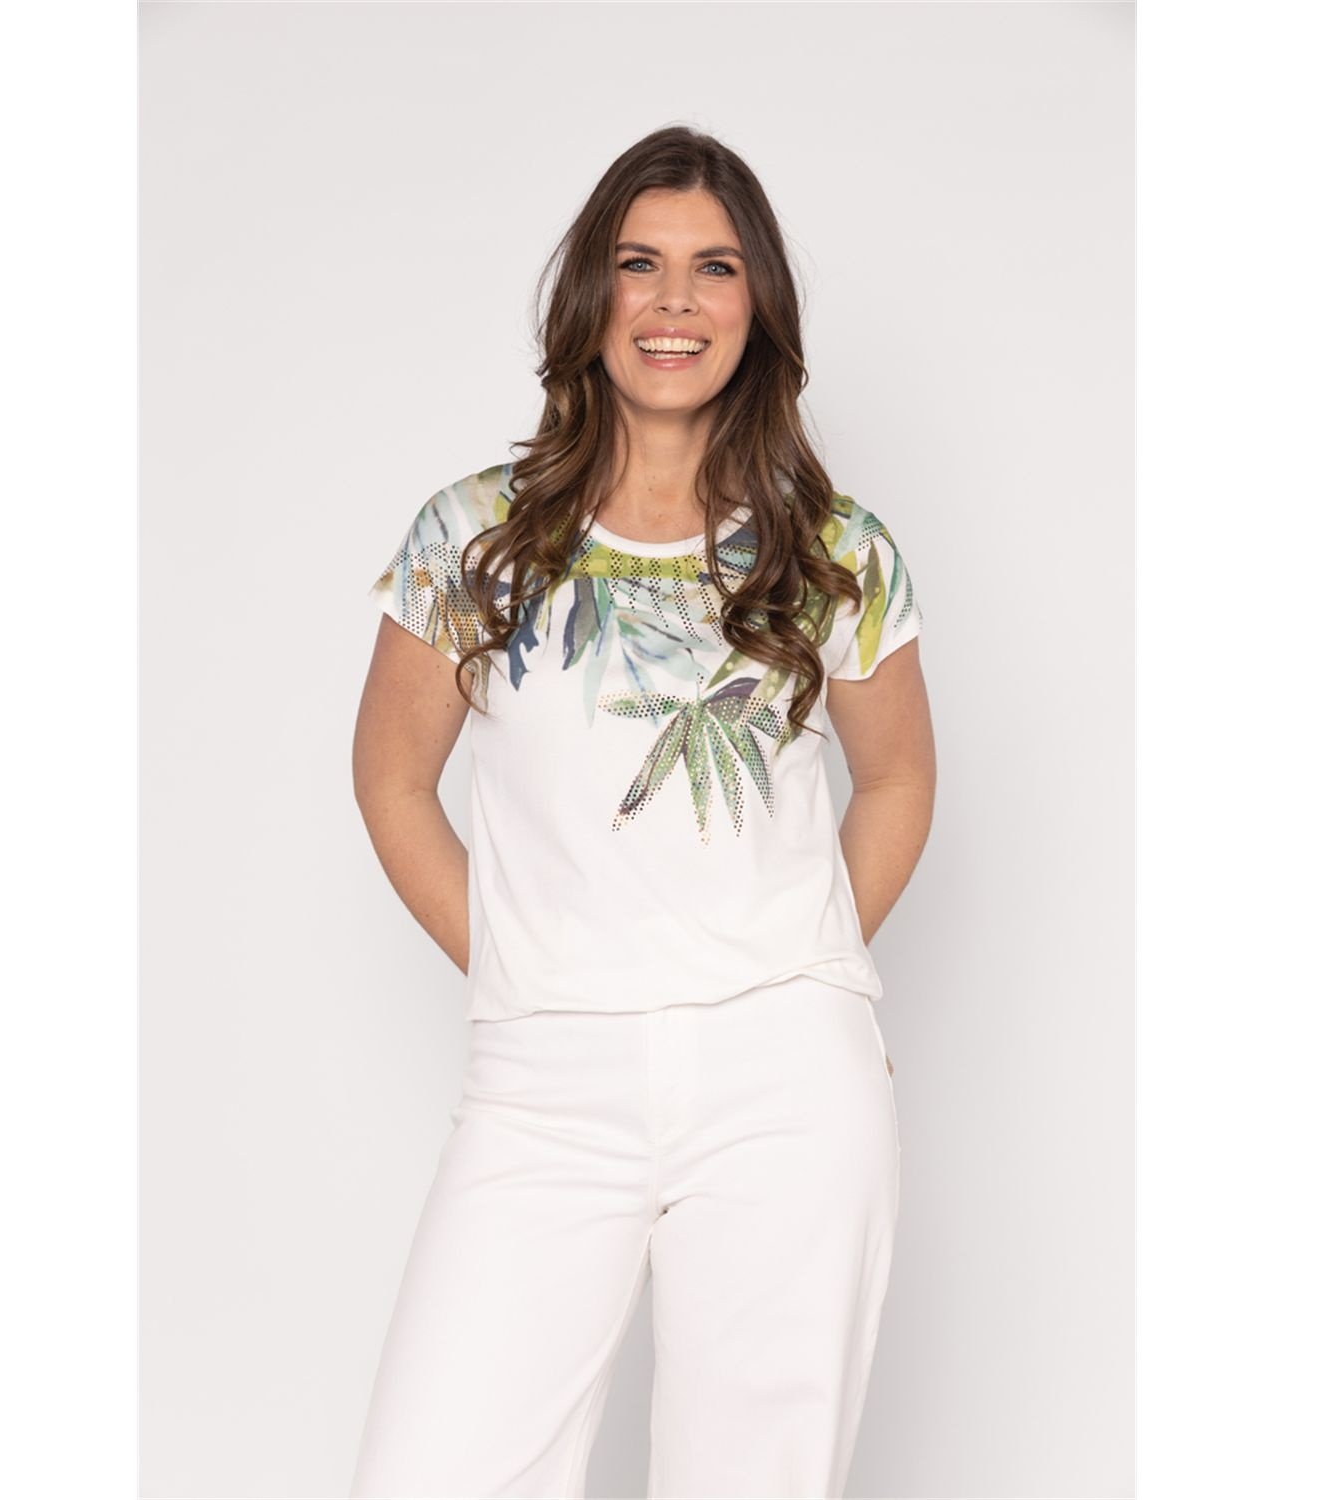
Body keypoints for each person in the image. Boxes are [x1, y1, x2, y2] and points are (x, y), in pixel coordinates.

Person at [348, 124, 936, 1499]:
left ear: (757, 305)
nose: (675, 301)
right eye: (639, 264)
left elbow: (900, 776)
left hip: (785, 1081)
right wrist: (520, 958)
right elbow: (390, 778)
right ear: (590, 296)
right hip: (544, 1081)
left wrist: (802, 964)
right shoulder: (476, 538)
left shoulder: (833, 551)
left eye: (714, 267)